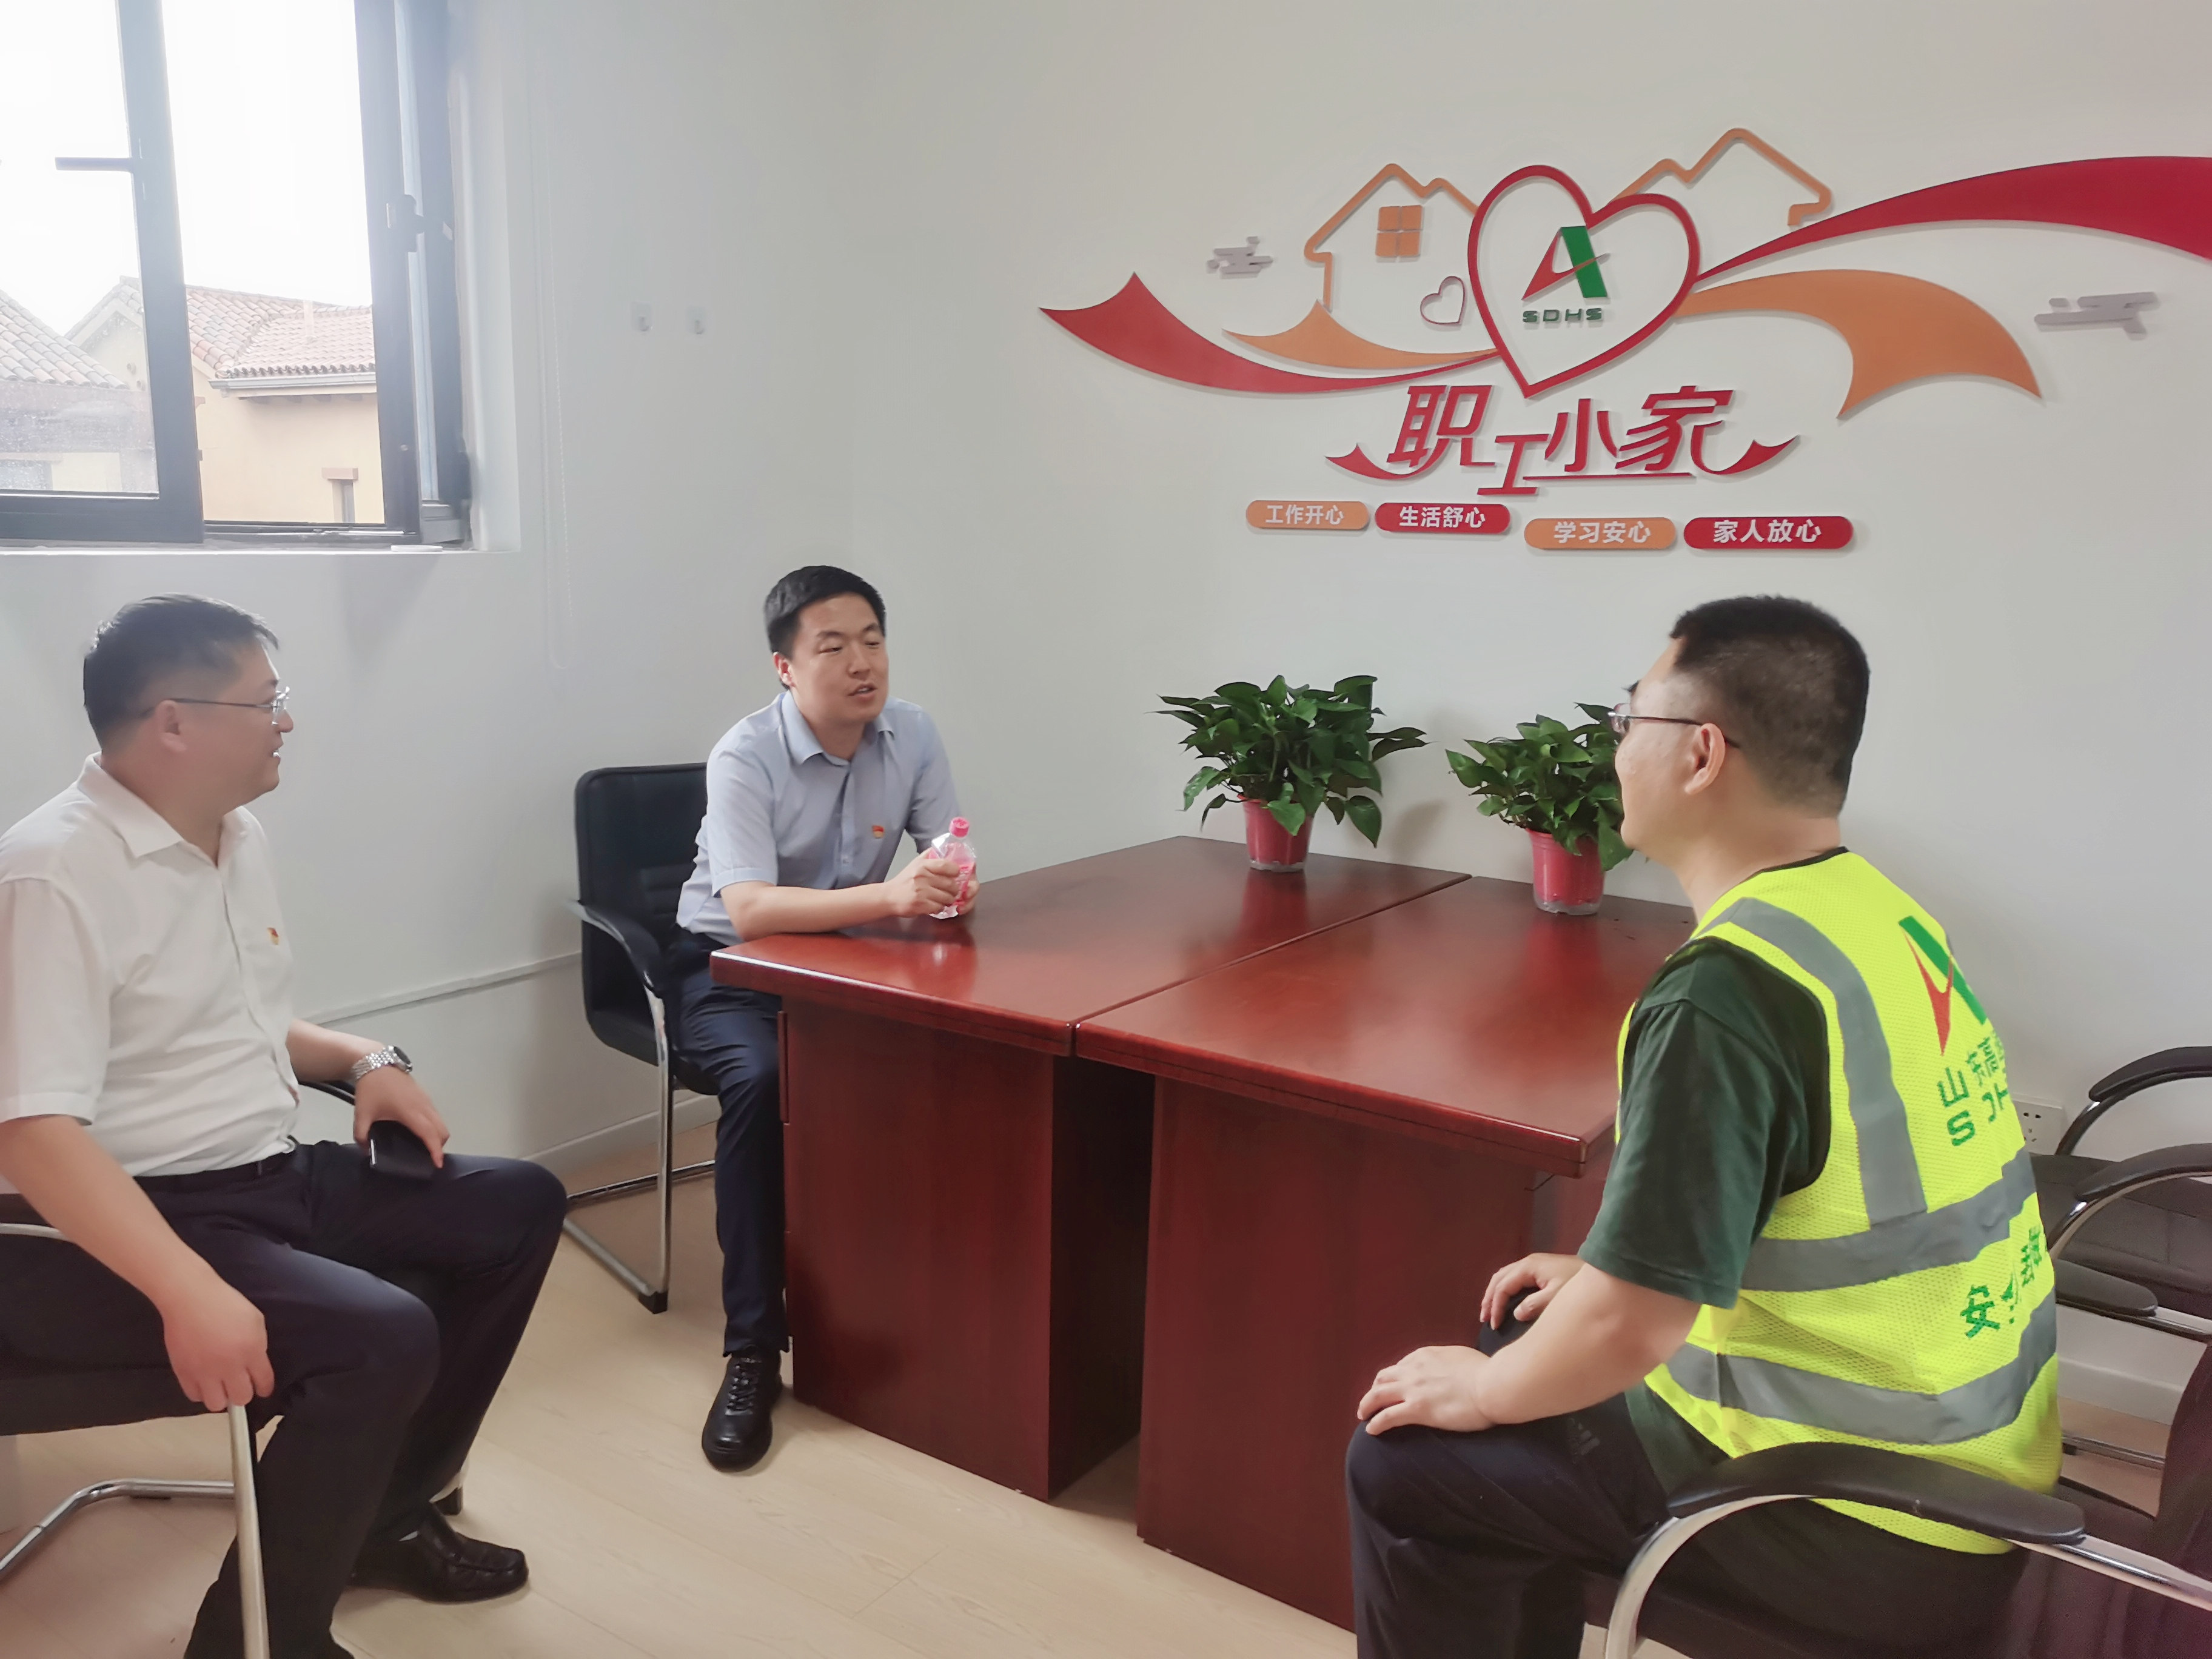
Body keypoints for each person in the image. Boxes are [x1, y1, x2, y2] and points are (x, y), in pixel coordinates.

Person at [1346, 596, 2057, 1658]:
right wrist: (1604, 1274)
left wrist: (1497, 1387)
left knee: (1404, 1462)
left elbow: (1634, 1331)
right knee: (1526, 1329)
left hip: (1850, 1508)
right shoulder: (1879, 914)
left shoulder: (1727, 994)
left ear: (1701, 753)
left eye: (1631, 718)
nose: (1618, 745)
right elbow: (1819, 1190)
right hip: (1970, 1461)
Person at [0, 596, 568, 1659]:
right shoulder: (49, 875)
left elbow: (230, 1021)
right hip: (118, 1225)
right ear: (174, 721)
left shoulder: (232, 834)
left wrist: (365, 1062)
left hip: (263, 1174)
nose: (286, 722)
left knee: (515, 1205)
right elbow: (32, 1134)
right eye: (265, 702)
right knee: (383, 1334)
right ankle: (258, 1643)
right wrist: (185, 1289)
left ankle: (383, 1518)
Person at [672, 565, 973, 1471]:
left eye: (872, 640)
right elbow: (750, 911)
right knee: (763, 1082)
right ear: (785, 667)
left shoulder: (913, 732)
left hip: (852, 960)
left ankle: (909, 1303)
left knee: (961, 1055)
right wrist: (895, 895)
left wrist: (950, 879)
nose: (860, 663)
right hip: (728, 970)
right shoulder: (744, 755)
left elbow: (948, 851)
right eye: (832, 647)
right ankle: (753, 1350)